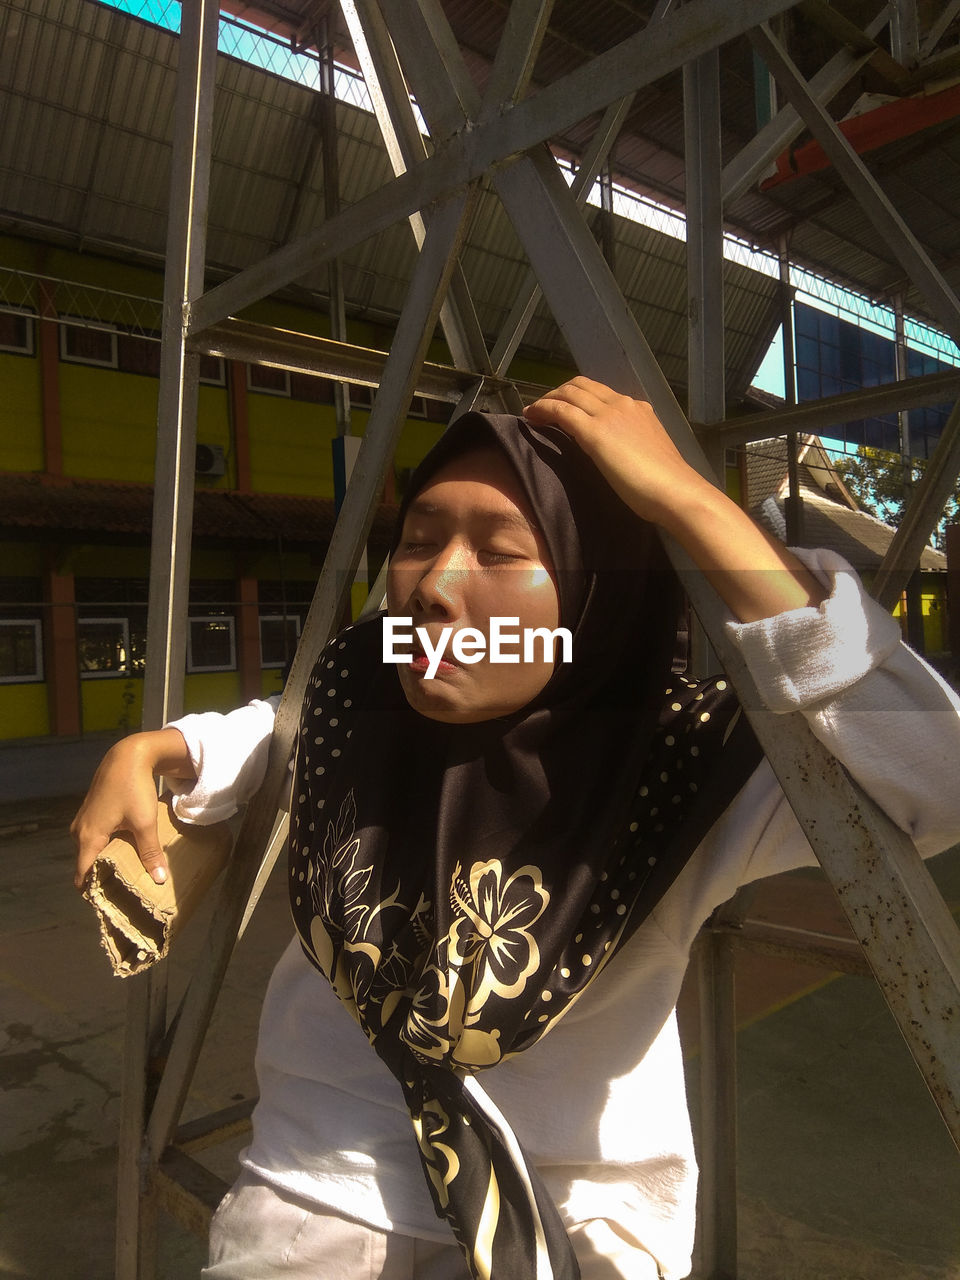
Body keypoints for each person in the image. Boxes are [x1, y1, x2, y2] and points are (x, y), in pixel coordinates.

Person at [73, 379, 960, 1280]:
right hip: (315, 1198)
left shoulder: (677, 769)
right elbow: (273, 728)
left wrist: (688, 501)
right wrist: (168, 745)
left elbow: (938, 779)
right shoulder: (358, 696)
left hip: (580, 1224)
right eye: (417, 543)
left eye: (501, 552)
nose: (437, 587)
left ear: (595, 594)